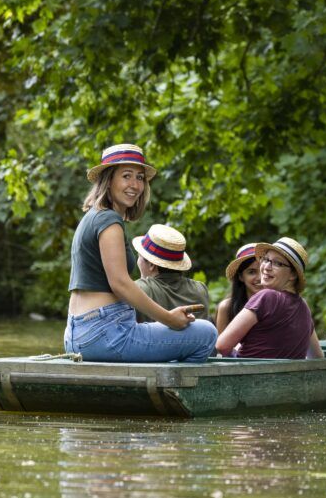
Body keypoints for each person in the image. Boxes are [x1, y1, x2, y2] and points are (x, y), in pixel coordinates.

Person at [63, 143, 217, 362]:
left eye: (140, 178)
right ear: (108, 179)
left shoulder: (92, 217)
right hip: (106, 333)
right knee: (206, 333)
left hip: (77, 333)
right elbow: (120, 283)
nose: (135, 185)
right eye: (126, 176)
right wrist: (168, 319)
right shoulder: (109, 220)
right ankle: (168, 393)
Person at [215, 237, 325, 359]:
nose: (266, 267)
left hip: (248, 375)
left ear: (293, 274)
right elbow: (317, 356)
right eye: (266, 259)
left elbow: (221, 346)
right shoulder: (303, 306)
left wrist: (235, 352)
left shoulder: (266, 297)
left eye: (278, 263)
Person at [133, 223, 210, 323]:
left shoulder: (137, 290)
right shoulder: (200, 290)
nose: (138, 261)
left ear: (152, 265)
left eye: (139, 256)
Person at [215, 243, 262, 335]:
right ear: (241, 276)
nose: (260, 277)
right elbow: (220, 347)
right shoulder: (227, 308)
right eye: (252, 272)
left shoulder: (279, 304)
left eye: (263, 271)